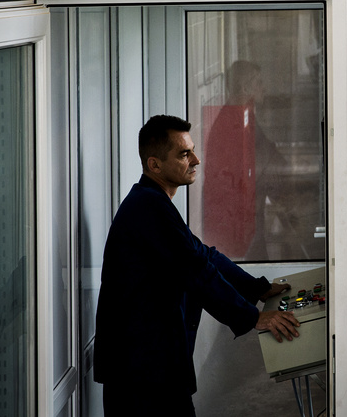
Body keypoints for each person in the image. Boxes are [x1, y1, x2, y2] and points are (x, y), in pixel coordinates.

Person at [93, 114, 301, 417]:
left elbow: (204, 255)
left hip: (155, 370)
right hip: (141, 377)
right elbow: (195, 269)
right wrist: (252, 317)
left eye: (192, 150)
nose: (197, 159)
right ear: (154, 165)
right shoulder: (148, 208)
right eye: (184, 153)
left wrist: (258, 288)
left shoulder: (153, 203)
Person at [203, 61, 285, 259]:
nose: (264, 88)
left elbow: (265, 152)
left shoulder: (245, 113)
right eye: (259, 82)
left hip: (247, 215)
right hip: (234, 222)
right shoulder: (231, 122)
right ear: (245, 87)